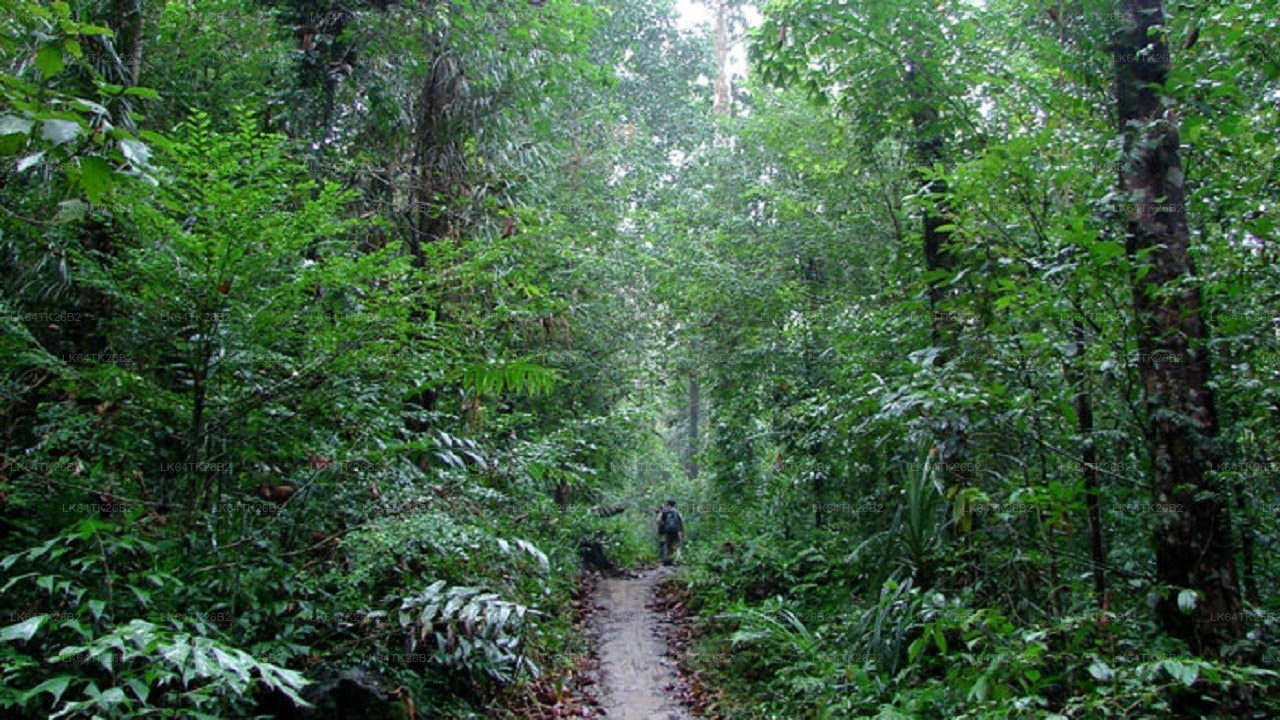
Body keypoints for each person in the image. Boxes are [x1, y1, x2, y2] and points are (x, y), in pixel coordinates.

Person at [657, 498, 684, 565]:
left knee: (669, 546)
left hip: (668, 530)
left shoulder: (664, 512)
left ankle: (668, 560)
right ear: (674, 504)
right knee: (677, 545)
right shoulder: (677, 511)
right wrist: (682, 531)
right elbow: (681, 521)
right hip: (676, 530)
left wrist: (662, 528)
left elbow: (659, 521)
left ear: (667, 504)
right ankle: (677, 560)